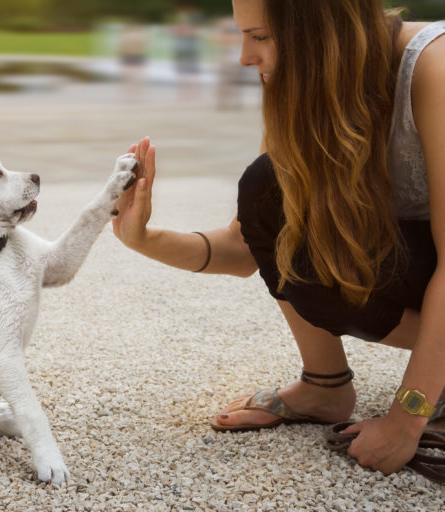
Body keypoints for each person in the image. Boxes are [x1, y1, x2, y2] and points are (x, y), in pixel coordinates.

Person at [112, 0, 445, 477]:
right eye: (243, 35)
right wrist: (142, 238)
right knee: (269, 189)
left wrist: (406, 419)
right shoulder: (307, 87)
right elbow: (248, 246)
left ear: (324, 30)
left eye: (261, 37)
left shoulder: (434, 64)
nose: (244, 57)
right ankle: (325, 386)